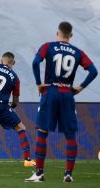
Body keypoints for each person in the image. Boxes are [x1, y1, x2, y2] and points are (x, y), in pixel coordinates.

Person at [25, 21, 98, 183]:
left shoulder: (48, 46)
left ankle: (39, 173)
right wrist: (80, 88)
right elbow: (93, 71)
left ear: (57, 33)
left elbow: (36, 62)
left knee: (42, 132)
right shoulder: (77, 52)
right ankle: (68, 175)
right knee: (70, 135)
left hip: (50, 92)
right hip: (67, 94)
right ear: (70, 35)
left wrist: (38, 83)